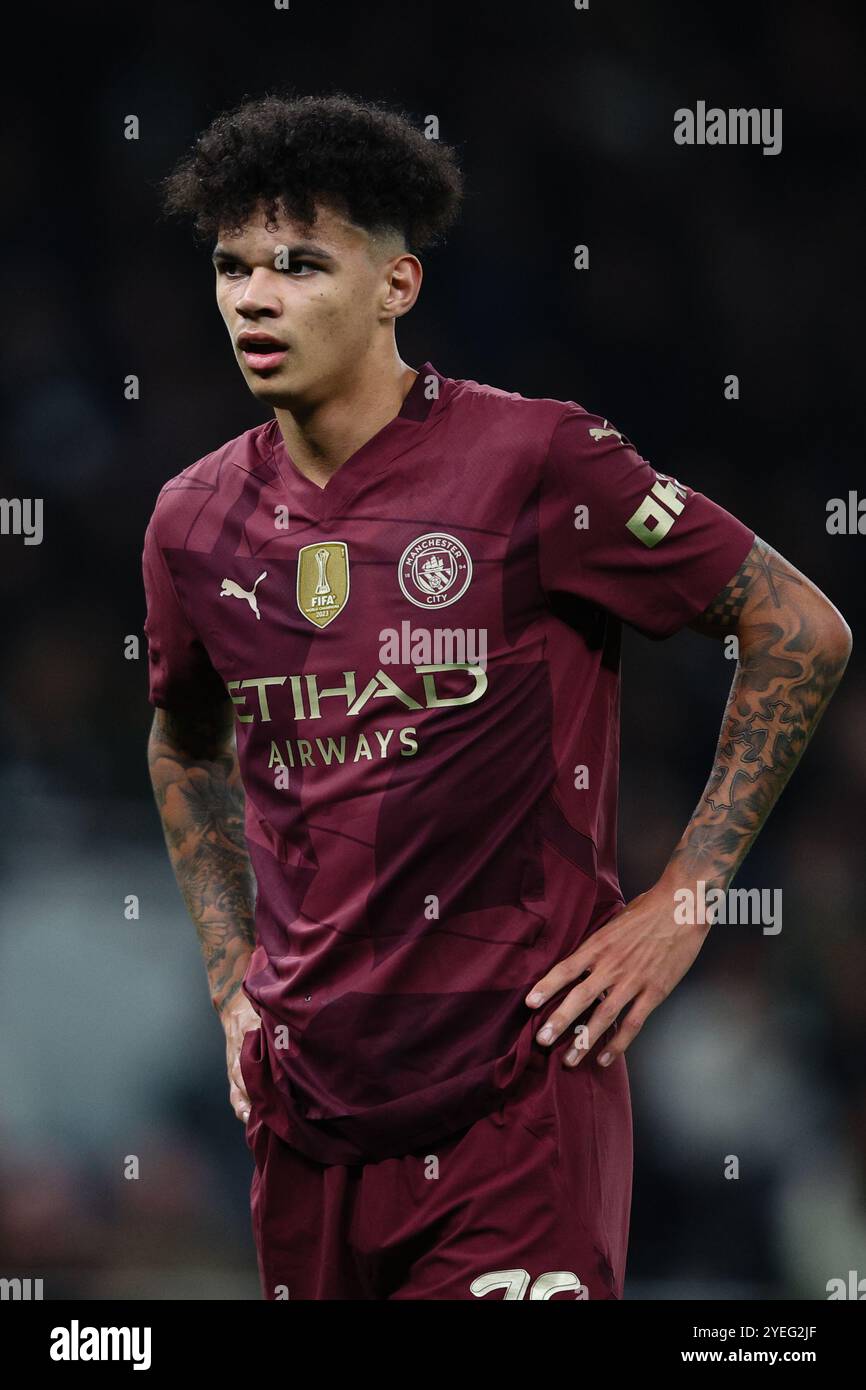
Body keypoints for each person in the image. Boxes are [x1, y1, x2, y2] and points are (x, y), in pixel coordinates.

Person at [143, 92, 852, 1300]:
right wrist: (229, 979)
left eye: (300, 265)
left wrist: (686, 895)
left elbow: (798, 628)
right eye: (232, 267)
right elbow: (184, 743)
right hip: (307, 1113)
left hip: (515, 1099)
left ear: (395, 286)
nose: (253, 298)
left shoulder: (536, 461)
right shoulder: (191, 521)